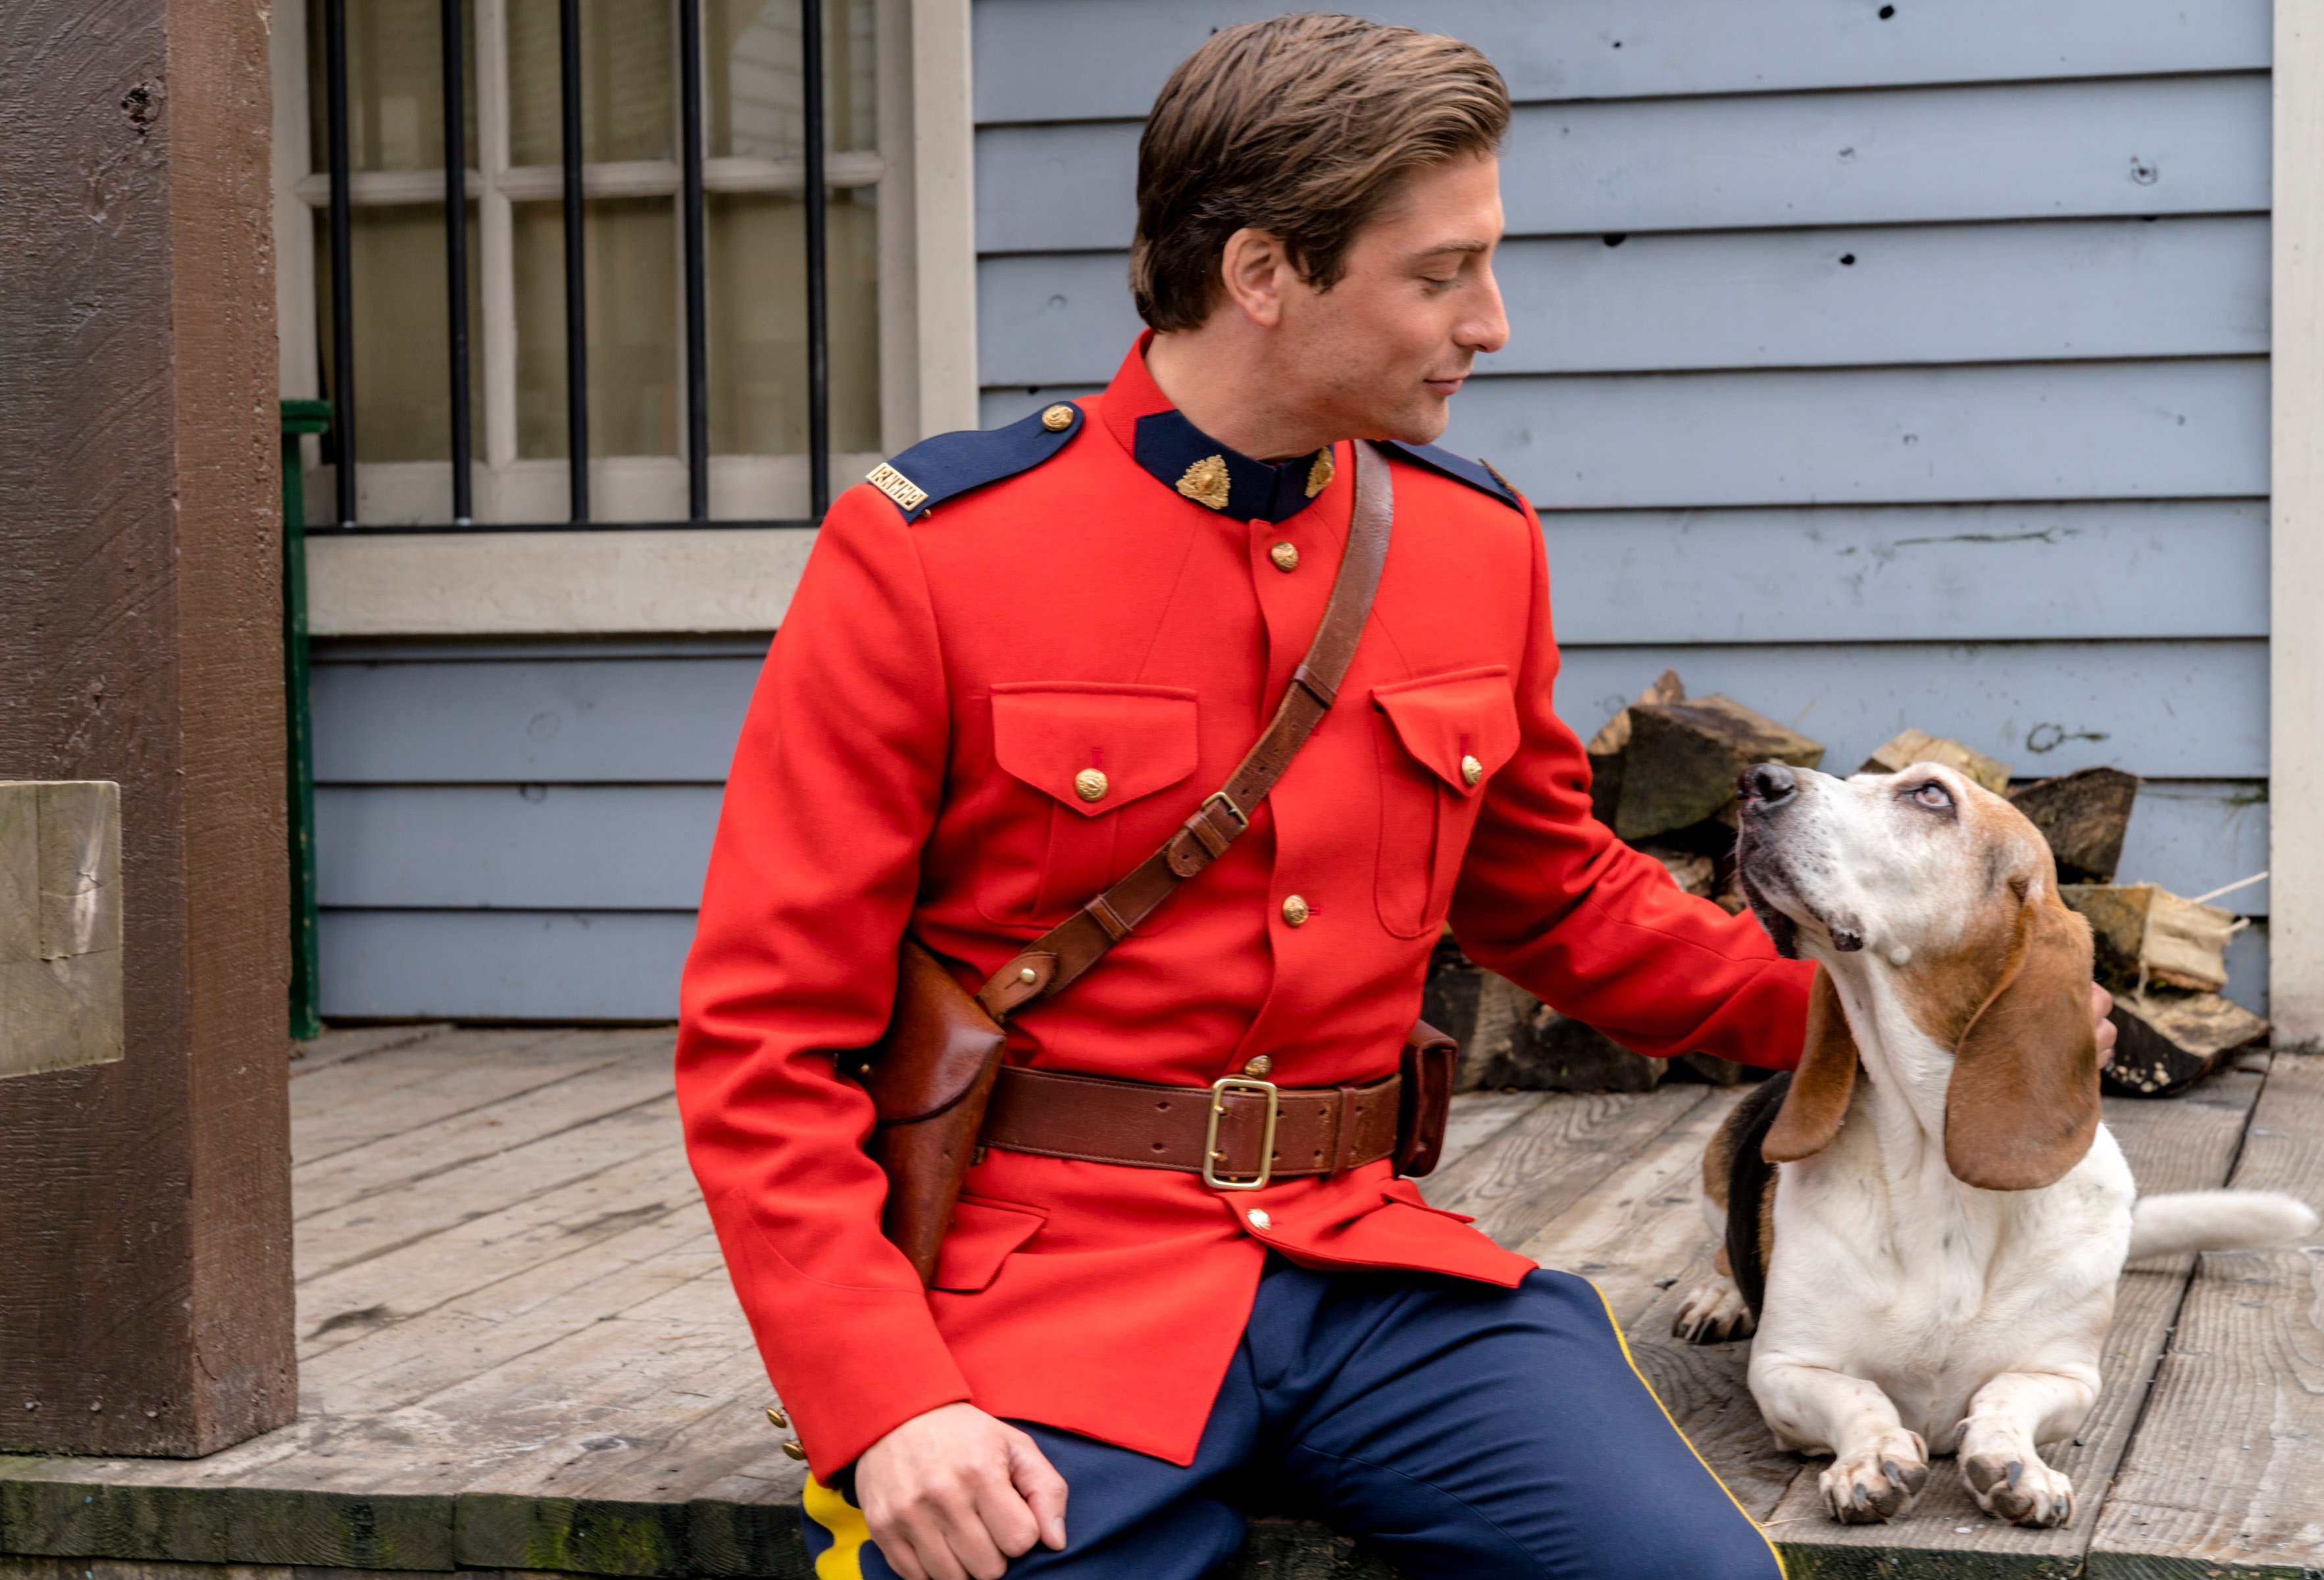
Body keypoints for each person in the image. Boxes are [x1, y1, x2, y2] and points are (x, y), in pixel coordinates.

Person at [675, 15, 2114, 1579]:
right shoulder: (938, 554)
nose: (1491, 320)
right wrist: (888, 1399)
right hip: (1040, 1308)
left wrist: (1918, 1025)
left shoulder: (1471, 543)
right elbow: (763, 1045)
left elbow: (1559, 898)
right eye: (1442, 274)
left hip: (1371, 1284)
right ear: (1262, 272)